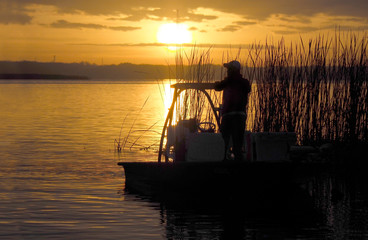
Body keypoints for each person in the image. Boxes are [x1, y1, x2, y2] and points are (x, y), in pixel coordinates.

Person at [214, 60, 251, 161]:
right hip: (240, 116)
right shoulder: (244, 82)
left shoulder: (228, 81)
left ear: (232, 70)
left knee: (224, 142)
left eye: (229, 69)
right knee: (237, 144)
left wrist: (219, 83)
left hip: (228, 116)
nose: (227, 71)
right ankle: (238, 166)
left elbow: (217, 87)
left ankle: (224, 163)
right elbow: (248, 88)